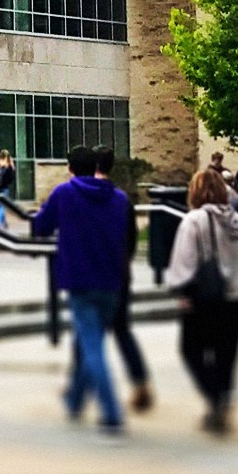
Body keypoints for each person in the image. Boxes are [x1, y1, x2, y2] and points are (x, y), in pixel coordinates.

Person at [32, 146, 130, 435]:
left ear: (71, 167)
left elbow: (41, 227)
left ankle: (111, 412)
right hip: (112, 280)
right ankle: (75, 400)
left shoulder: (64, 193)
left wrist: (39, 216)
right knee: (92, 341)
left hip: (80, 280)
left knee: (93, 347)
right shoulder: (119, 198)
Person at [166, 170, 238, 435]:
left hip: (205, 297)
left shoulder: (194, 220)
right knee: (226, 355)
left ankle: (214, 397)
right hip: (237, 298)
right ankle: (224, 397)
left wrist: (182, 291)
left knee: (191, 350)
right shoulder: (237, 220)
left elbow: (184, 260)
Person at [93, 145, 153, 412]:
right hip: (120, 274)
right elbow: (130, 239)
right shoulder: (122, 199)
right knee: (121, 330)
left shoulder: (86, 196)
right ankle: (140, 382)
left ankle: (79, 388)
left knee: (88, 334)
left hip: (96, 275)